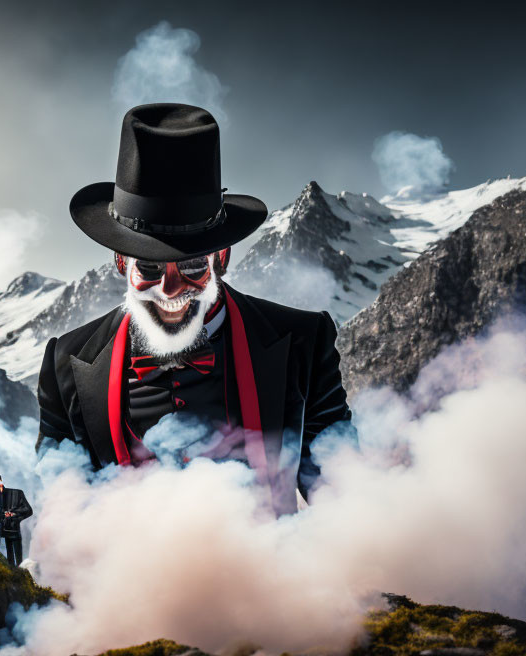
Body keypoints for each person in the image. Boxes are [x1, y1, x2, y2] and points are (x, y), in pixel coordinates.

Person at [36, 103, 352, 515]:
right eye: (148, 267)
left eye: (190, 266)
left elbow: (342, 490)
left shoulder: (304, 343)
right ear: (120, 262)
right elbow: (62, 503)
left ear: (221, 257)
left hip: (272, 572)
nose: (170, 289)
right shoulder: (66, 362)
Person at [0, 472, 33, 567]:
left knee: (19, 560)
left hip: (15, 530)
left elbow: (28, 510)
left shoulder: (18, 493)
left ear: (0, 479)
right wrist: (3, 515)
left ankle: (19, 573)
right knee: (10, 559)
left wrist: (14, 515)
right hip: (5, 532)